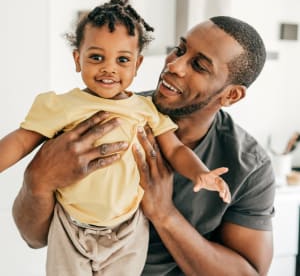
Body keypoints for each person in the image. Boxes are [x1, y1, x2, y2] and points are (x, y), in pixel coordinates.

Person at [12, 14, 275, 275]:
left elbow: (248, 273)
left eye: (199, 66)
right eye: (179, 50)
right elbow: (34, 238)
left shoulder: (250, 167)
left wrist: (164, 214)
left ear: (231, 95)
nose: (174, 65)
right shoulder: (106, 115)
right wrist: (38, 181)